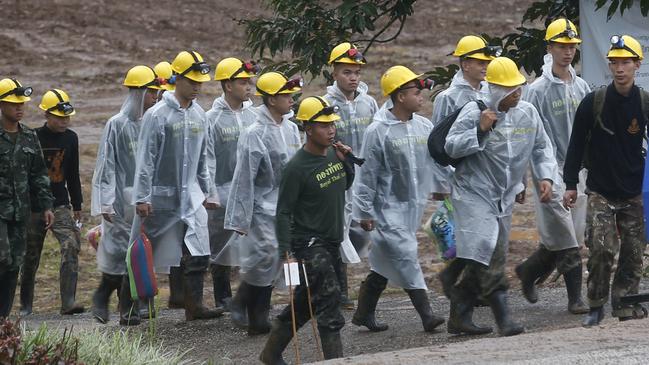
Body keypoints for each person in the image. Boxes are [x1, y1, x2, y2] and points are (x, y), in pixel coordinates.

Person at [444, 57, 557, 336]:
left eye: (518, 88)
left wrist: (545, 176)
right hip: (473, 192)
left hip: (504, 195)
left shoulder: (527, 113)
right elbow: (450, 146)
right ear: (494, 90)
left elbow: (542, 147)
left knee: (488, 252)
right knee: (488, 248)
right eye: (509, 90)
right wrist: (479, 129)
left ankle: (458, 308)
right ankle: (504, 318)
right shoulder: (474, 111)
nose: (516, 95)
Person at [351, 65, 445, 333]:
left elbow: (434, 163)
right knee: (405, 254)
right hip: (386, 208)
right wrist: (364, 211)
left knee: (385, 260)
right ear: (400, 96)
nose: (421, 97)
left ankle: (363, 313)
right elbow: (367, 175)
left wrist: (442, 187)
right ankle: (427, 316)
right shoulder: (378, 131)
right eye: (416, 92)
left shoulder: (424, 126)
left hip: (412, 206)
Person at [260, 96, 353, 364]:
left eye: (332, 124)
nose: (331, 129)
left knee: (306, 303)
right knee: (330, 300)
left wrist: (347, 162)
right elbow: (283, 212)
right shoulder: (296, 168)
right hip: (311, 245)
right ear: (308, 128)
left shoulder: (334, 154)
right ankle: (335, 360)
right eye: (323, 125)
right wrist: (286, 251)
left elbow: (343, 185)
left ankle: (270, 353)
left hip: (333, 241)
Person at [563, 34, 648, 326]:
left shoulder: (644, 102)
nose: (620, 68)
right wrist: (570, 183)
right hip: (600, 188)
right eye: (615, 62)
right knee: (600, 248)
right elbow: (575, 145)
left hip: (633, 190)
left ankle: (624, 304)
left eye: (626, 62)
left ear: (638, 64)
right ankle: (597, 305)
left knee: (634, 252)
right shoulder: (593, 102)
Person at [132, 50, 223, 321]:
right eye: (192, 81)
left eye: (200, 82)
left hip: (191, 194)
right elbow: (145, 158)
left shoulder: (200, 116)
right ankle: (132, 306)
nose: (197, 86)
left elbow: (205, 157)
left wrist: (208, 191)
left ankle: (193, 305)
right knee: (145, 249)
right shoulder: (158, 115)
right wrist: (142, 196)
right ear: (177, 79)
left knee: (199, 248)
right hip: (161, 195)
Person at [217, 71, 302, 335]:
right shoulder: (254, 134)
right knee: (265, 256)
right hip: (262, 208)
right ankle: (254, 310)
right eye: (285, 95)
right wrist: (241, 218)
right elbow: (244, 178)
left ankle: (250, 309)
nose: (291, 100)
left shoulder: (290, 128)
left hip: (286, 207)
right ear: (271, 100)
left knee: (282, 259)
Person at [515, 18, 590, 315]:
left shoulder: (581, 86)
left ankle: (528, 270)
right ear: (550, 47)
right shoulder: (538, 90)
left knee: (573, 233)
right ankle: (575, 298)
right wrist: (524, 178)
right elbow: (527, 136)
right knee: (566, 235)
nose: (568, 51)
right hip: (550, 169)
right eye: (562, 46)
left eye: (572, 46)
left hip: (579, 172)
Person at [90, 65, 161, 325]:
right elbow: (106, 164)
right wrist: (105, 201)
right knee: (121, 253)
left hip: (144, 201)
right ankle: (105, 298)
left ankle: (132, 306)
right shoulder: (117, 125)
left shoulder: (154, 123)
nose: (156, 97)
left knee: (138, 254)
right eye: (151, 92)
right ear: (138, 93)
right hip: (121, 201)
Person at [434, 35, 498, 298]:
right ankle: (468, 289)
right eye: (478, 61)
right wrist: (442, 182)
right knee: (469, 234)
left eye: (486, 61)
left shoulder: (488, 92)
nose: (485, 65)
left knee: (480, 234)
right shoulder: (448, 98)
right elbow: (437, 143)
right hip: (458, 175)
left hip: (485, 174)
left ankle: (464, 283)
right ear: (464, 63)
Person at [19, 88, 85, 317]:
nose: (64, 121)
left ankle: (68, 301)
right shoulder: (32, 136)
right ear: (46, 115)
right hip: (34, 206)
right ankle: (26, 305)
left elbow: (73, 174)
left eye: (67, 117)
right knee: (31, 256)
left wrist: (77, 205)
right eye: (59, 117)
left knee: (71, 246)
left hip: (60, 204)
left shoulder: (71, 138)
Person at [323, 42, 379, 310]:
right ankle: (339, 290)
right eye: (347, 72)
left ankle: (369, 288)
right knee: (337, 232)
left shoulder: (369, 103)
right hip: (337, 178)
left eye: (356, 72)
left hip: (365, 177)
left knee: (363, 232)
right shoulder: (326, 104)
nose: (353, 77)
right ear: (334, 73)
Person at [206, 57, 258, 311]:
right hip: (223, 190)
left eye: (248, 81)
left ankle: (250, 295)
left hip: (251, 191)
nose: (248, 86)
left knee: (252, 243)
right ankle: (222, 295)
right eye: (242, 82)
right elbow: (207, 158)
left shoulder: (254, 115)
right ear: (228, 85)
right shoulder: (212, 119)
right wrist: (211, 191)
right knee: (220, 245)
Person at [0, 78, 54, 318]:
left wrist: (46, 206)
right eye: (13, 103)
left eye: (22, 103)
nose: (19, 107)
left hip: (20, 212)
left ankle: (3, 319)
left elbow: (39, 174)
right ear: (2, 105)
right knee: (1, 259)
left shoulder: (30, 136)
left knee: (13, 265)